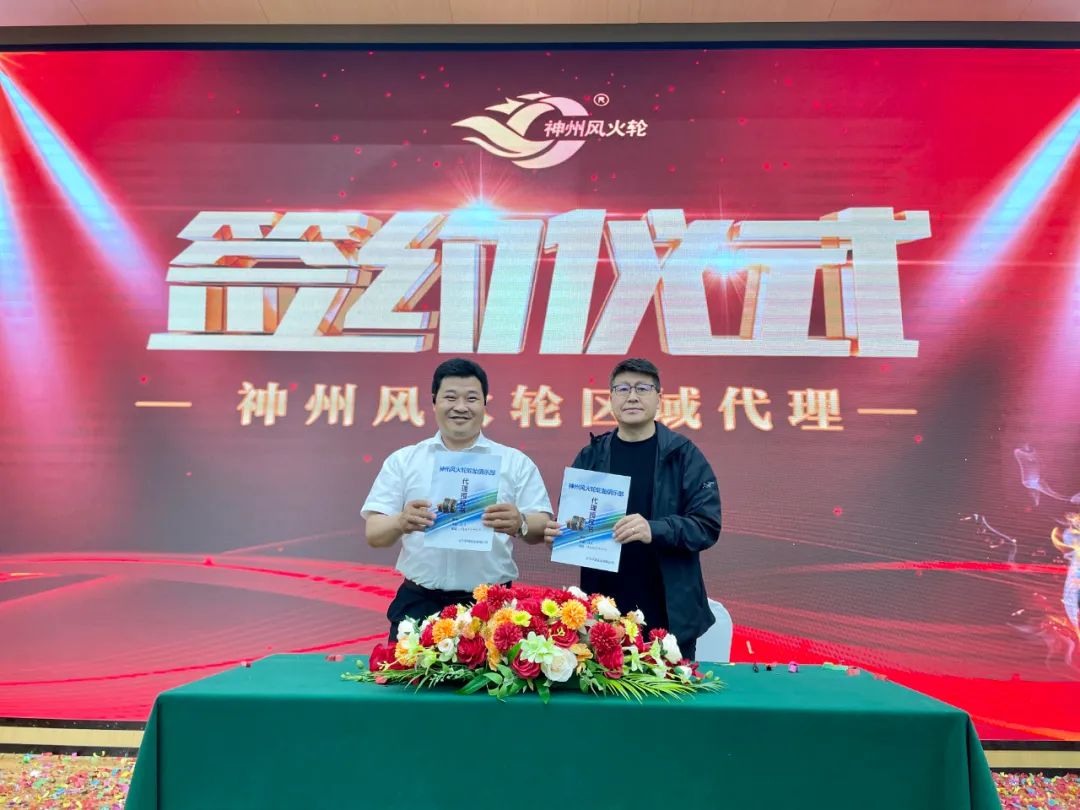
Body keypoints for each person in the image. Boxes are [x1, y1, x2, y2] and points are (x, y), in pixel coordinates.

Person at [363, 358, 555, 641]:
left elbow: (543, 526)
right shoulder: (404, 461)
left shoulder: (514, 462)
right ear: (434, 401)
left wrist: (521, 522)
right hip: (419, 604)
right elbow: (374, 533)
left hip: (490, 607)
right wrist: (401, 521)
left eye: (472, 398)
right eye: (450, 397)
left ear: (485, 404)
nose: (461, 407)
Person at [568, 358, 721, 660]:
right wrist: (563, 533)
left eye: (642, 388)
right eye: (623, 388)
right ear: (611, 398)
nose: (632, 396)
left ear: (659, 398)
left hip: (669, 612)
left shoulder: (683, 455)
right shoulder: (591, 456)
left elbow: (707, 525)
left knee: (672, 691)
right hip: (605, 614)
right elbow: (575, 522)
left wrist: (654, 529)